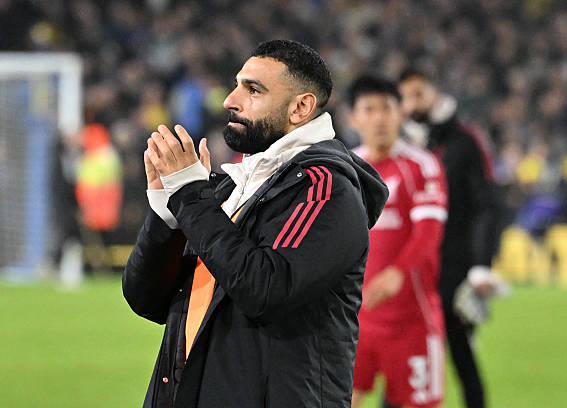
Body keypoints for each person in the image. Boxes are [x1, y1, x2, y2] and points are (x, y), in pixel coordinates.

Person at [122, 40, 388, 408]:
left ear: (300, 107)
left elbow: (265, 289)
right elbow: (147, 300)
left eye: (253, 90)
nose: (230, 100)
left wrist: (190, 196)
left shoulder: (325, 189)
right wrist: (166, 214)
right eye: (236, 85)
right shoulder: (234, 186)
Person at [398, 68, 500, 408]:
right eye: (405, 97)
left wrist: (481, 265)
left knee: (460, 356)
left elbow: (487, 205)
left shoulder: (465, 142)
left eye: (418, 94)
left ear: (435, 93)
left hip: (453, 272)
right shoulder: (402, 147)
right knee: (405, 357)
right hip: (411, 271)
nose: (412, 104)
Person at [347, 76, 448, 408]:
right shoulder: (345, 169)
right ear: (354, 118)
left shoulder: (421, 165)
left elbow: (429, 232)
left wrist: (398, 272)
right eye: (369, 109)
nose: (380, 118)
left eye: (387, 108)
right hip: (355, 320)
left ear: (400, 113)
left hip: (411, 321)